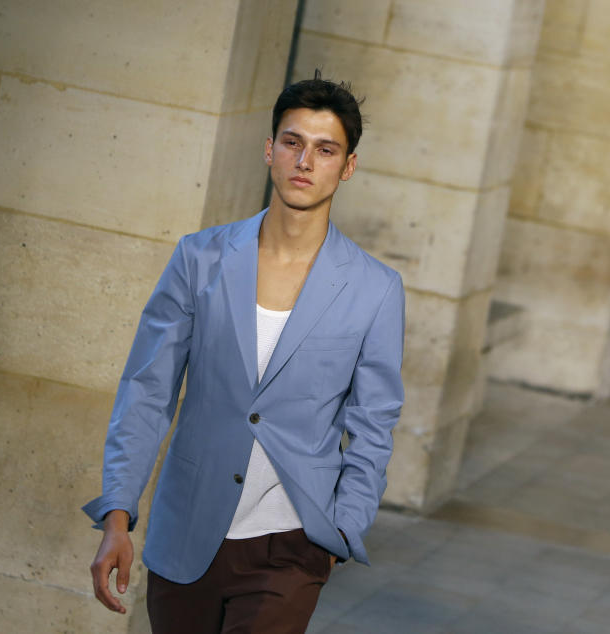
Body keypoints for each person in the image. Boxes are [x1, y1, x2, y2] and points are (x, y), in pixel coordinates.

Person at [83, 71, 405, 633]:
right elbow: (147, 391)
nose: (305, 161)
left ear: (346, 166)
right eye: (292, 142)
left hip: (291, 546)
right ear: (269, 150)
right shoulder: (199, 259)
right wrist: (117, 516)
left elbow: (374, 424)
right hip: (187, 534)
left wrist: (341, 530)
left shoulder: (375, 289)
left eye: (324, 149)